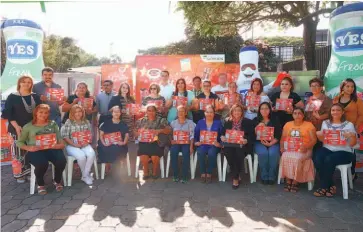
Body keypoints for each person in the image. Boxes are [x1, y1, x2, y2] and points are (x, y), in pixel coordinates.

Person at [16, 104, 66, 195]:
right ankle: (40, 184)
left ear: (49, 114)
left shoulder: (53, 124)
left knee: (61, 161)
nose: (43, 115)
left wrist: (60, 145)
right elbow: (19, 142)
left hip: (52, 148)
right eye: (41, 112)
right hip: (36, 150)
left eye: (46, 113)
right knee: (42, 164)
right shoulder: (28, 126)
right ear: (36, 113)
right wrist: (29, 148)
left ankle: (57, 180)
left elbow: (60, 139)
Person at [2, 75, 42, 182]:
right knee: (18, 152)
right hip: (16, 129)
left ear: (31, 84)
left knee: (30, 152)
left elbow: (40, 112)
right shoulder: (12, 96)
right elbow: (8, 114)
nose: (26, 84)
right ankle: (19, 175)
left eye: (29, 82)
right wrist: (16, 127)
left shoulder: (35, 96)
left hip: (32, 129)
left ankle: (29, 173)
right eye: (24, 82)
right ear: (19, 83)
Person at [313, 103, 357, 197]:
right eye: (333, 110)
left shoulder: (349, 125)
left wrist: (352, 136)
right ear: (330, 112)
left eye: (338, 110)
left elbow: (353, 144)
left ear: (342, 112)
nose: (335, 112)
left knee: (330, 159)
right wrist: (319, 135)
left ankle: (324, 187)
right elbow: (323, 140)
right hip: (328, 148)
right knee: (317, 157)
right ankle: (331, 185)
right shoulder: (325, 123)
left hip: (345, 151)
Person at [279, 107, 316, 193]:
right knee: (285, 156)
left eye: (299, 113)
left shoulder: (309, 125)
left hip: (304, 149)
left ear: (303, 115)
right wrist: (281, 147)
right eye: (295, 113)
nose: (297, 115)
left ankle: (296, 181)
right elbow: (283, 138)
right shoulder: (288, 124)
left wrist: (306, 147)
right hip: (290, 148)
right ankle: (288, 180)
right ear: (292, 115)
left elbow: (314, 140)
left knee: (298, 158)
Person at [332, 78, 363, 179]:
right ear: (343, 87)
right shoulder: (337, 98)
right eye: (348, 86)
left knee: (351, 150)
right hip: (338, 129)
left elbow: (361, 115)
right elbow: (333, 111)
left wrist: (356, 126)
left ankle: (352, 173)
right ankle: (342, 171)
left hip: (351, 129)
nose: (350, 89)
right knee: (340, 148)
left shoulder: (357, 100)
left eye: (352, 86)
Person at [221, 104, 255, 189]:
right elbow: (222, 133)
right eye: (235, 110)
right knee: (227, 152)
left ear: (242, 112)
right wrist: (222, 137)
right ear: (231, 112)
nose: (237, 112)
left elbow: (252, 135)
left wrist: (246, 140)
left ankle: (235, 178)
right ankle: (236, 175)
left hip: (242, 144)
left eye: (239, 110)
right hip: (230, 144)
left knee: (239, 153)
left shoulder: (247, 121)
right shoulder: (227, 121)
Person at [61, 104, 96, 185]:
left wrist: (86, 142)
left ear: (82, 112)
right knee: (81, 156)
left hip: (84, 143)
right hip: (71, 145)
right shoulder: (68, 122)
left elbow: (90, 134)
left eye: (79, 111)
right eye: (75, 112)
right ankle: (85, 176)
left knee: (92, 154)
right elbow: (65, 136)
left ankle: (84, 175)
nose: (78, 113)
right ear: (72, 113)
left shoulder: (86, 122)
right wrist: (74, 145)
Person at [135, 104, 171, 179]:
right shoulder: (141, 121)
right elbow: (134, 132)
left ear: (156, 111)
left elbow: (169, 130)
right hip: (144, 142)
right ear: (146, 112)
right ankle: (146, 172)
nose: (151, 112)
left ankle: (154, 172)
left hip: (157, 142)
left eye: (153, 111)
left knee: (155, 156)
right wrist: (139, 132)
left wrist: (159, 131)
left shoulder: (161, 120)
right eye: (149, 111)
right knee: (143, 155)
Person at [253, 102, 282, 185]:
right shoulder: (256, 120)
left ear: (270, 110)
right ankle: (264, 176)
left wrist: (271, 143)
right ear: (259, 110)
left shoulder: (275, 119)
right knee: (263, 153)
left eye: (266, 108)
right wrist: (258, 127)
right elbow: (252, 134)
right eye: (262, 108)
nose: (264, 110)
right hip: (260, 142)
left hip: (273, 142)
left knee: (273, 153)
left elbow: (279, 134)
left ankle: (271, 176)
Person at [194, 105, 223, 183]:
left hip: (214, 145)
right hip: (202, 144)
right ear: (204, 113)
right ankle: (203, 172)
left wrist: (220, 144)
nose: (209, 114)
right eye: (207, 112)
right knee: (200, 152)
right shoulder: (200, 122)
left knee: (212, 152)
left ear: (214, 113)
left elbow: (222, 135)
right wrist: (196, 142)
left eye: (211, 112)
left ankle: (209, 172)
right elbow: (196, 134)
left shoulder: (218, 123)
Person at [97, 106, 129, 172]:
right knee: (103, 148)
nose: (116, 113)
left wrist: (123, 143)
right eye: (115, 112)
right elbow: (101, 135)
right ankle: (107, 163)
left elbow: (126, 135)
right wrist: (104, 143)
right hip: (106, 142)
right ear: (112, 113)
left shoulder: (123, 124)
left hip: (119, 143)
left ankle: (117, 165)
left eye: (118, 112)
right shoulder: (106, 123)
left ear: (120, 113)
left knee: (117, 148)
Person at [170, 105, 196, 183]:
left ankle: (185, 175)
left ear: (185, 113)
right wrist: (171, 140)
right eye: (179, 111)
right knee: (173, 152)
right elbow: (170, 134)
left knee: (186, 153)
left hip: (186, 143)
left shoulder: (190, 123)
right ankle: (175, 174)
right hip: (176, 143)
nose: (180, 113)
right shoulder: (173, 123)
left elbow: (192, 135)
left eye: (182, 111)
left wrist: (191, 146)